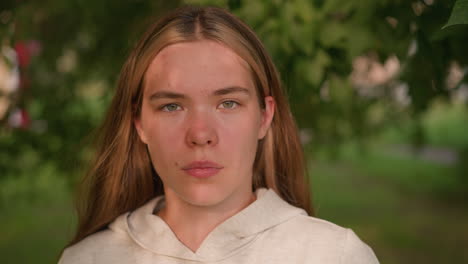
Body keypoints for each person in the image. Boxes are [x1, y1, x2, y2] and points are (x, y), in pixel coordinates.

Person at [59, 6, 379, 264]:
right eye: (172, 106)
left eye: (228, 103)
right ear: (139, 123)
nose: (200, 134)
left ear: (265, 116)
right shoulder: (88, 259)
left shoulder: (333, 255)